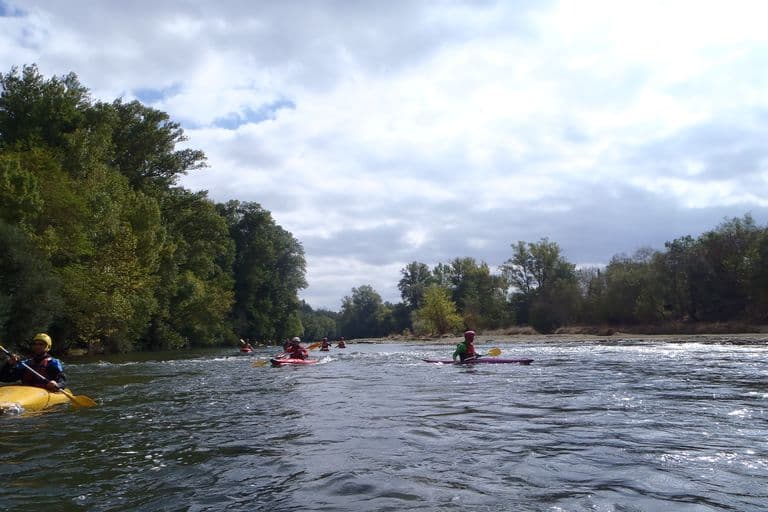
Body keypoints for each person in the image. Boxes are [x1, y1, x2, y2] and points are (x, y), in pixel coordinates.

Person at [0, 333, 66, 391]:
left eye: (41, 344)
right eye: (35, 344)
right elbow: (4, 378)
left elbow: (63, 382)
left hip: (45, 392)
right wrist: (9, 364)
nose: (37, 346)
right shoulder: (26, 363)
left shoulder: (53, 363)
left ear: (48, 347)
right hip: (26, 394)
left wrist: (57, 384)